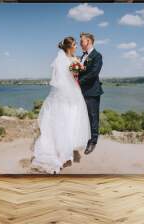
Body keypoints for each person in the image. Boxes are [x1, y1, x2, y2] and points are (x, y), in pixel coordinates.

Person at [31, 37, 91, 174]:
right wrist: (75, 72)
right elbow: (60, 80)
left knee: (71, 121)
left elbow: (75, 76)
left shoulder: (73, 59)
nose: (76, 47)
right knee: (63, 122)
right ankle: (60, 154)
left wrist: (78, 70)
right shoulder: (61, 60)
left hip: (73, 94)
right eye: (75, 45)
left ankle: (66, 151)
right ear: (69, 47)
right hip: (64, 96)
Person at [78, 32, 104, 155]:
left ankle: (93, 142)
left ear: (88, 41)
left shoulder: (97, 56)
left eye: (81, 41)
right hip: (80, 92)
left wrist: (78, 82)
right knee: (83, 117)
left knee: (93, 117)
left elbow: (94, 73)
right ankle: (84, 138)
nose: (80, 44)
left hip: (92, 92)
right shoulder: (82, 56)